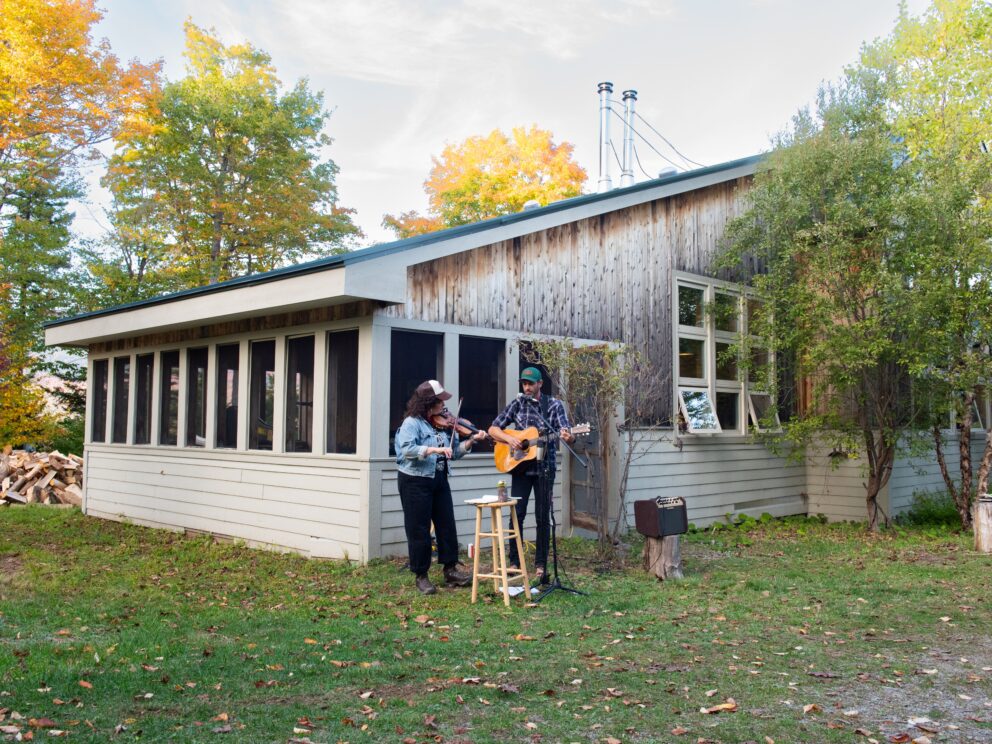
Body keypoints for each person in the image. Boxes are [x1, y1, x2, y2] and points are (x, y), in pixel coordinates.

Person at [395, 379, 486, 595]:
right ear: (428, 403)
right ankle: (421, 575)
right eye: (440, 402)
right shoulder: (411, 424)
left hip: (439, 478)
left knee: (446, 524)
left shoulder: (442, 424)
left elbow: (453, 451)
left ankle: (450, 569)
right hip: (415, 481)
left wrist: (471, 441)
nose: (444, 407)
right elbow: (407, 450)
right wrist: (434, 451)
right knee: (419, 529)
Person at [487, 367, 574, 584]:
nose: (526, 387)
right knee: (517, 513)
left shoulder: (553, 405)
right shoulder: (518, 403)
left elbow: (567, 432)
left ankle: (541, 564)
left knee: (543, 517)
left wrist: (568, 436)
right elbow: (493, 429)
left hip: (545, 468)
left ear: (540, 384)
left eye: (530, 383)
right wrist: (510, 440)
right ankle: (515, 561)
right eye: (524, 383)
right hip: (521, 469)